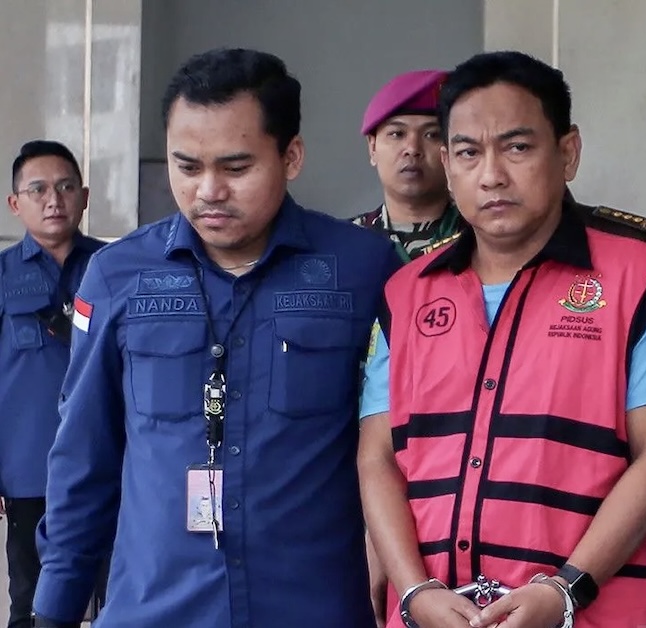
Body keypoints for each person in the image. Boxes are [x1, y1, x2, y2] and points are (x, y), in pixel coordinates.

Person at [31, 48, 398, 628]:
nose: (208, 190)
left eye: (236, 168)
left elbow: (406, 448)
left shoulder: (363, 270)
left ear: (291, 156)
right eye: (187, 166)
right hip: (155, 609)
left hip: (308, 608)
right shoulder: (117, 276)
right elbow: (84, 453)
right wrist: (55, 606)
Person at [358, 50, 646, 628]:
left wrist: (565, 590)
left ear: (568, 152)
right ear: (447, 164)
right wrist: (414, 592)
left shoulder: (642, 279)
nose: (491, 175)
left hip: (592, 612)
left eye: (517, 147)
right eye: (468, 153)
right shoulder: (404, 292)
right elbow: (377, 457)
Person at [0, 140, 104, 628]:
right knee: (32, 603)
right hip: (28, 471)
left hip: (109, 466)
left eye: (65, 187)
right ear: (14, 203)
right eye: (38, 189)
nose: (53, 200)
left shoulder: (115, 269)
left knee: (116, 597)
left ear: (84, 196)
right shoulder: (2, 277)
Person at [353, 69, 462, 261]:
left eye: (432, 135)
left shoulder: (483, 238)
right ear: (372, 147)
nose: (412, 149)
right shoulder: (346, 241)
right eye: (397, 134)